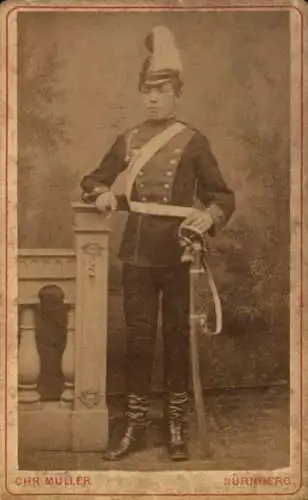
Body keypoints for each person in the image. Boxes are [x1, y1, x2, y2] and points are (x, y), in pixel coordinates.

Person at [80, 26, 235, 462]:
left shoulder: (192, 139)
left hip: (180, 252)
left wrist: (210, 216)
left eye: (162, 90)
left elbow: (223, 195)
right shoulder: (128, 139)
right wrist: (103, 194)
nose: (153, 98)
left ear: (176, 94)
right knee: (139, 338)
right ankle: (133, 423)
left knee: (176, 336)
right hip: (137, 252)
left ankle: (175, 423)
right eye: (147, 90)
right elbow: (93, 178)